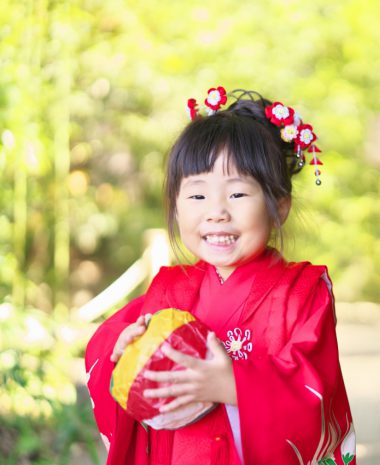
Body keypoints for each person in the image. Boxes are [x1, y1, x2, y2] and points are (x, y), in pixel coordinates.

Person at [84, 86, 356, 465]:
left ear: (279, 204)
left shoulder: (303, 292)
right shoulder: (168, 290)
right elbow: (103, 350)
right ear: (176, 208)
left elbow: (316, 391)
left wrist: (233, 386)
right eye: (197, 197)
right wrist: (120, 349)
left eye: (238, 195)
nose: (216, 212)